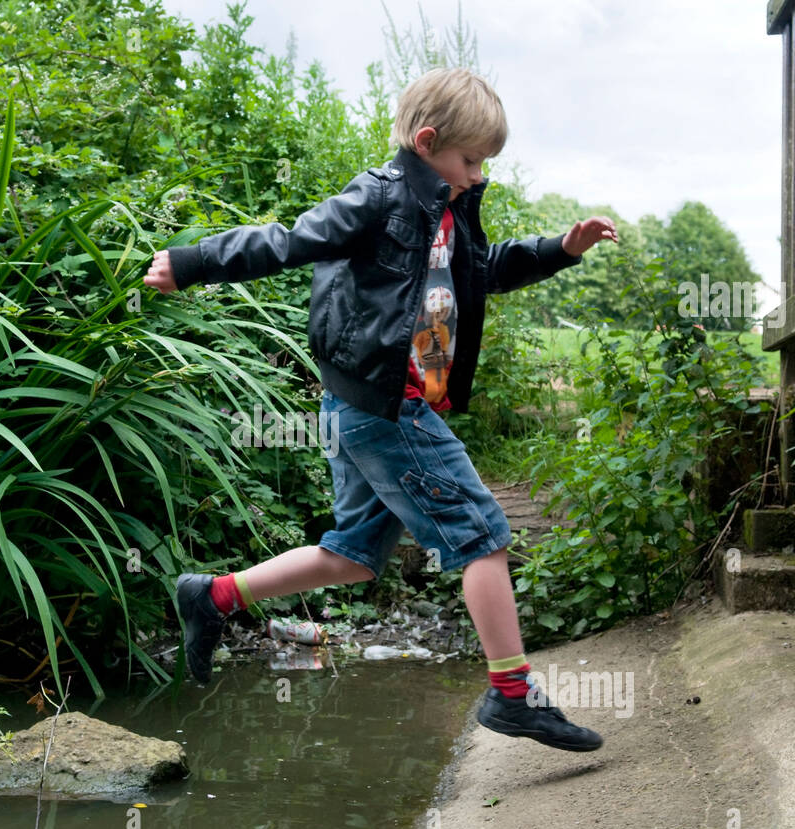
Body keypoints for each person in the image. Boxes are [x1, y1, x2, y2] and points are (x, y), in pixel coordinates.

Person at [143, 67, 618, 752]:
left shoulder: (451, 209)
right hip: (385, 410)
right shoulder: (380, 198)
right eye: (471, 159)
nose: (480, 174)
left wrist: (559, 250)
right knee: (482, 533)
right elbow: (287, 240)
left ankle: (213, 596)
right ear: (427, 143)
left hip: (361, 408)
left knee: (355, 554)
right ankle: (512, 694)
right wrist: (191, 262)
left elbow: (484, 270)